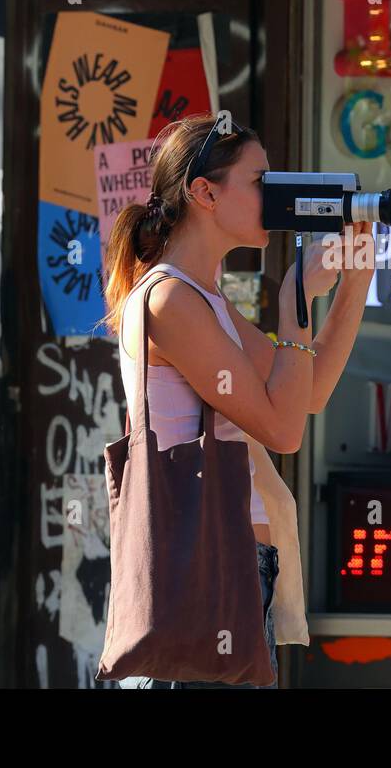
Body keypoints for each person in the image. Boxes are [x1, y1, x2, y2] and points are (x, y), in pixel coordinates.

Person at [99, 112, 374, 689]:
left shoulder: (205, 299)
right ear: (204, 193)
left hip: (233, 576)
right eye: (259, 181)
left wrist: (354, 284)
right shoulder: (169, 300)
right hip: (201, 576)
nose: (273, 196)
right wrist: (293, 295)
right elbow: (283, 431)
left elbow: (308, 390)